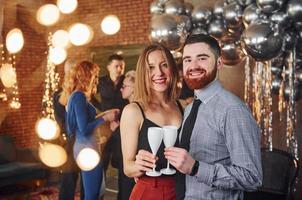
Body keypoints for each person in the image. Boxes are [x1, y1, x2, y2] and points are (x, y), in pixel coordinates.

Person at [164, 34, 262, 200]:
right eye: (188, 60)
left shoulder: (232, 110)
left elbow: (251, 178)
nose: (193, 66)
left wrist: (196, 168)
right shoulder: (190, 109)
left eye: (202, 58)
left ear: (219, 62)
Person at [120, 43, 183, 200]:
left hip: (184, 189)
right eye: (151, 67)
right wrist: (139, 165)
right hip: (150, 191)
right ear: (143, 73)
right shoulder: (133, 111)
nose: (159, 73)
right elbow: (128, 168)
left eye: (164, 65)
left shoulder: (183, 106)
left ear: (172, 69)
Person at [61, 60, 119, 200]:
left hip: (85, 147)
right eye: (95, 75)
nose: (96, 79)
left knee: (95, 192)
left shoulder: (76, 96)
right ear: (87, 76)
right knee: (93, 195)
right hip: (87, 150)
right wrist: (105, 118)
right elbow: (84, 128)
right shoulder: (79, 96)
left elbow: (83, 122)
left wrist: (104, 114)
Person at [53, 59, 84, 200]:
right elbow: (60, 121)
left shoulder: (84, 91)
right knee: (68, 178)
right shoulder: (58, 95)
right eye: (72, 70)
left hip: (85, 141)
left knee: (86, 178)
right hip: (70, 142)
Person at [109, 70, 136, 200]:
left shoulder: (134, 109)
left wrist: (116, 130)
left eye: (124, 86)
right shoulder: (127, 107)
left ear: (134, 88)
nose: (121, 89)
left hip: (131, 163)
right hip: (124, 161)